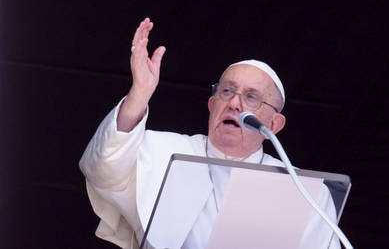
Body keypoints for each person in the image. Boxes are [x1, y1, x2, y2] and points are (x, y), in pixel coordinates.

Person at [79, 18, 340, 249]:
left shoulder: (304, 192)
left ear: (274, 125)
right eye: (226, 91)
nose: (235, 104)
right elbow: (103, 166)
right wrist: (140, 93)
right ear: (212, 105)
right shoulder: (164, 152)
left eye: (251, 97)